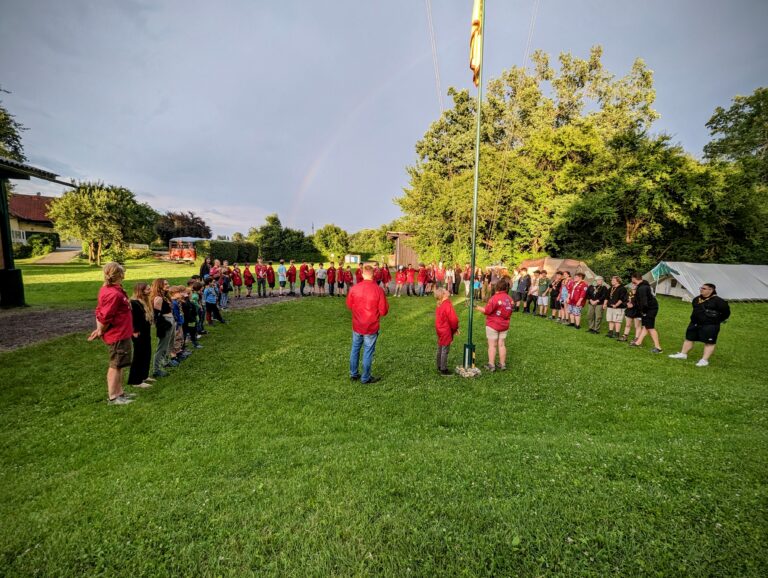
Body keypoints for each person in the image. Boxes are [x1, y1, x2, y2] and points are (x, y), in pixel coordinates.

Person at [88, 262, 135, 405]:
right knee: (115, 365)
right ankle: (113, 397)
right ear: (119, 274)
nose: (124, 274)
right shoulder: (113, 293)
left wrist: (99, 329)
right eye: (122, 272)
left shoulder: (111, 289)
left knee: (120, 364)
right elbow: (105, 315)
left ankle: (120, 392)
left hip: (123, 332)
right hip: (118, 334)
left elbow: (100, 311)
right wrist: (100, 330)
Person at [346, 264, 389, 384]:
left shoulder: (355, 288)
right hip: (370, 325)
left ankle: (354, 373)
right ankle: (365, 377)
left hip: (358, 324)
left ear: (363, 274)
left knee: (355, 349)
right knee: (367, 351)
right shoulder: (378, 290)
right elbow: (384, 311)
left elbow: (349, 305)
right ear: (373, 275)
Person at [669, 283, 730, 367]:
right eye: (701, 288)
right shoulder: (697, 299)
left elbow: (726, 313)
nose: (701, 289)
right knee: (689, 338)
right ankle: (683, 354)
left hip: (710, 325)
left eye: (704, 288)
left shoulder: (719, 301)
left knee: (709, 342)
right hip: (694, 323)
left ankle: (704, 360)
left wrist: (715, 320)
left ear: (711, 290)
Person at [475, 277, 513, 372]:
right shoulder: (509, 298)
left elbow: (487, 311)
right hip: (505, 324)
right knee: (501, 344)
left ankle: (491, 365)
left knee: (492, 345)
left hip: (493, 324)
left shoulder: (494, 298)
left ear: (497, 288)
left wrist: (476, 307)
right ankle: (502, 364)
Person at [127, 281, 154, 390]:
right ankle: (136, 380)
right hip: (138, 332)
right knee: (139, 354)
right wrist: (134, 330)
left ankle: (144, 375)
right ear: (141, 291)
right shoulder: (134, 302)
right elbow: (132, 318)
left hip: (145, 331)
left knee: (147, 352)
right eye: (147, 289)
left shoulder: (144, 301)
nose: (150, 291)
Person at [629, 273, 662, 353]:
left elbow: (644, 302)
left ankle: (658, 348)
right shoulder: (642, 286)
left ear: (634, 279)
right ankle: (638, 342)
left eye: (632, 279)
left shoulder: (642, 288)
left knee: (650, 328)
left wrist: (643, 311)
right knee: (645, 326)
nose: (631, 280)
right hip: (649, 308)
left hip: (650, 309)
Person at [150, 278, 175, 376]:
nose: (167, 285)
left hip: (170, 320)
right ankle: (156, 369)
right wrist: (165, 325)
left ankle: (165, 361)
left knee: (170, 343)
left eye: (167, 283)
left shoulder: (165, 296)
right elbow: (157, 316)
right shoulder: (158, 298)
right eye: (165, 284)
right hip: (165, 323)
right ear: (159, 286)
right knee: (162, 346)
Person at [434, 288, 459, 376]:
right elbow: (453, 319)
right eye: (446, 290)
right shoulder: (447, 304)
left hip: (440, 329)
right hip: (445, 329)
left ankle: (439, 365)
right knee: (445, 349)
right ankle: (443, 370)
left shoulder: (441, 304)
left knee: (440, 347)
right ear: (443, 294)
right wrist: (455, 329)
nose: (448, 290)